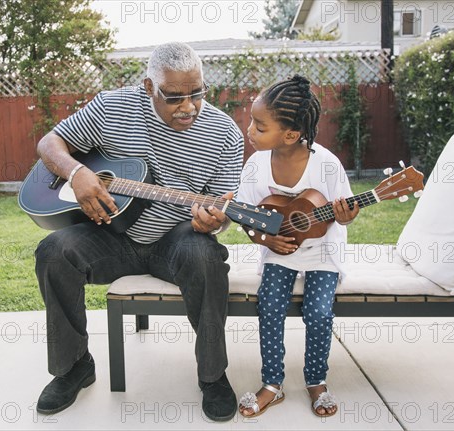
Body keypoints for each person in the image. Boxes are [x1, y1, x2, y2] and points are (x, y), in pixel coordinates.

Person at [34, 42, 243, 422]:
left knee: (207, 257)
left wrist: (215, 222)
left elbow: (224, 212)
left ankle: (213, 376)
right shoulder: (112, 106)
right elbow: (50, 143)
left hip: (176, 238)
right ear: (149, 87)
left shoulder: (225, 134)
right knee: (54, 252)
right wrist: (77, 172)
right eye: (175, 97)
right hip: (112, 234)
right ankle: (73, 367)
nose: (189, 107)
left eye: (197, 93)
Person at [236, 75, 359, 418]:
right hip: (280, 252)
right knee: (269, 306)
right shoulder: (256, 165)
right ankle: (272, 384)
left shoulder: (327, 164)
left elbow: (345, 212)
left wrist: (346, 216)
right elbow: (246, 217)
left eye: (259, 126)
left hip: (322, 253)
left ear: (290, 134)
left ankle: (316, 381)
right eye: (251, 122)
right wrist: (266, 238)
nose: (250, 129)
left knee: (318, 313)